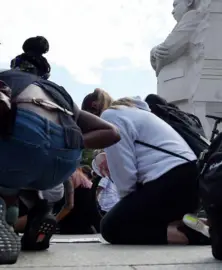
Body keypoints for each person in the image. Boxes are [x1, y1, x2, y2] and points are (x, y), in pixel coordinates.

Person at [0, 36, 120, 264]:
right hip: (61, 165)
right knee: (22, 173)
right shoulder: (58, 93)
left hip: (21, 143)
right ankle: (40, 211)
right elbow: (112, 133)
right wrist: (70, 142)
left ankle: (4, 219)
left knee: (15, 160)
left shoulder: (6, 78)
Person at [82, 94, 208, 245]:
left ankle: (193, 236)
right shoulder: (137, 113)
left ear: (94, 109)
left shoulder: (110, 116)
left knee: (111, 227)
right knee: (148, 219)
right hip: (189, 182)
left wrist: (127, 208)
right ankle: (202, 223)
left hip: (170, 182)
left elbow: (124, 173)